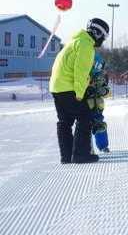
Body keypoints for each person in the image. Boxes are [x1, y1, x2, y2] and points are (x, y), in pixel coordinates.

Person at [49, 18, 109, 164]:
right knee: (85, 117)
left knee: (65, 121)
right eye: (104, 37)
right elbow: (80, 72)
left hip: (57, 87)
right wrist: (80, 94)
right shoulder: (86, 45)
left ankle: (67, 156)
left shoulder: (74, 41)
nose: (103, 41)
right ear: (96, 33)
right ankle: (81, 154)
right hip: (69, 87)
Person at [85, 52, 110, 153]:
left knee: (100, 125)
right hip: (85, 106)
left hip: (98, 107)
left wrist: (104, 91)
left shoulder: (100, 77)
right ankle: (87, 148)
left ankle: (103, 146)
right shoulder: (83, 76)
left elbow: (107, 90)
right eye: (97, 65)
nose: (99, 68)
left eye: (100, 66)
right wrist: (87, 91)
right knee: (84, 127)